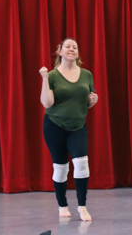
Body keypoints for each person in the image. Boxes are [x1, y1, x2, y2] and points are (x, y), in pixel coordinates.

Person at [39, 38, 98, 221]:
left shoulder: (86, 74)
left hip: (78, 126)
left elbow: (86, 102)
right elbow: (47, 103)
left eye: (75, 47)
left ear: (78, 54)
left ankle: (82, 206)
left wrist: (91, 102)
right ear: (60, 52)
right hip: (54, 126)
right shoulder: (53, 75)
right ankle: (62, 205)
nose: (71, 49)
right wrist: (45, 78)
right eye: (68, 46)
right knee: (61, 167)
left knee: (81, 163)